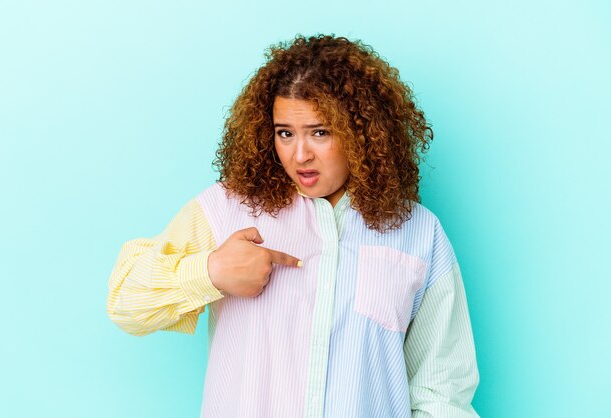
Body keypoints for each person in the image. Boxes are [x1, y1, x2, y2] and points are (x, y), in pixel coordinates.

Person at [106, 33, 480, 418]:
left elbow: (442, 390)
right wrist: (211, 271)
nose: (300, 154)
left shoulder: (417, 232)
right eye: (285, 133)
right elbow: (124, 300)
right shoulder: (228, 209)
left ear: (361, 132)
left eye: (320, 132)